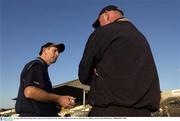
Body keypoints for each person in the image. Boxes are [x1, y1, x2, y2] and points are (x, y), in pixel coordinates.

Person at [78, 5, 160, 116]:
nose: (99, 27)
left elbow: (83, 73)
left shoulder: (103, 32)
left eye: (99, 22)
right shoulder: (141, 37)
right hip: (144, 113)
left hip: (110, 111)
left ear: (107, 15)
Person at [15, 42, 76, 116]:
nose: (58, 54)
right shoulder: (37, 65)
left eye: (58, 52)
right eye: (55, 50)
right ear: (44, 51)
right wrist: (59, 99)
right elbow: (30, 92)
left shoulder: (42, 68)